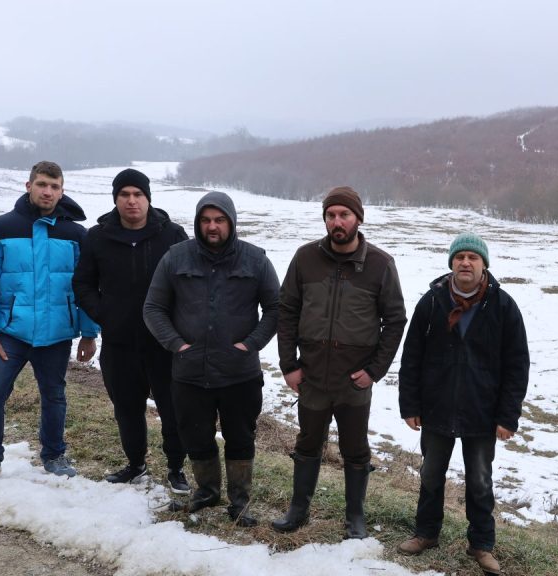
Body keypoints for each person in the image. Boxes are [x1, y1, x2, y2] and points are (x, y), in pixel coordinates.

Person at [272, 186, 407, 539]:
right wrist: (289, 365)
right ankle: (298, 510)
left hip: (353, 381)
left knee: (355, 449)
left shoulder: (380, 264)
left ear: (358, 219)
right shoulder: (305, 258)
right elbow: (287, 311)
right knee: (307, 443)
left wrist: (375, 370)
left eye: (344, 215)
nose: (337, 221)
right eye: (331, 215)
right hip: (312, 376)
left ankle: (355, 517)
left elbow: (395, 320)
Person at [0, 161, 99, 489]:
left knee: (54, 396)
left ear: (62, 191)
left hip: (56, 335)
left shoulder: (76, 234)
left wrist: (89, 333)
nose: (48, 191)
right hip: (9, 334)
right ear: (28, 185)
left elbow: (88, 287)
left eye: (54, 186)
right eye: (42, 184)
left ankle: (54, 455)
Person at [396, 232, 530, 576]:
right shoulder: (432, 302)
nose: (465, 263)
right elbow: (412, 356)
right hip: (437, 407)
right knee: (430, 475)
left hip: (482, 412)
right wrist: (410, 404)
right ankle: (426, 534)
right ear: (451, 263)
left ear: (484, 264)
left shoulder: (503, 306)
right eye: (460, 257)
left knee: (480, 482)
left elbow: (517, 365)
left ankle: (481, 545)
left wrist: (508, 416)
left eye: (473, 257)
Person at [143, 191, 279, 526]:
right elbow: (153, 307)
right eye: (205, 220)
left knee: (240, 438)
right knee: (195, 436)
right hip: (190, 371)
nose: (212, 226)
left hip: (239, 373)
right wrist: (176, 344)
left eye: (219, 220)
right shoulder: (176, 257)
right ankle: (206, 492)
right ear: (197, 223)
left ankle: (240, 503)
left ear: (231, 222)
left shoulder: (255, 259)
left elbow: (276, 309)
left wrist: (251, 344)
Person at [72, 168, 190, 494]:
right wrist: (104, 314)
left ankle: (176, 468)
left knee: (173, 408)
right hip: (119, 342)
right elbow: (83, 283)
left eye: (138, 194)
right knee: (126, 408)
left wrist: (181, 324)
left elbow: (190, 281)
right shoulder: (98, 237)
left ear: (148, 198)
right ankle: (135, 464)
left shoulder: (172, 235)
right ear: (116, 199)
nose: (131, 201)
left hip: (164, 343)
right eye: (124, 194)